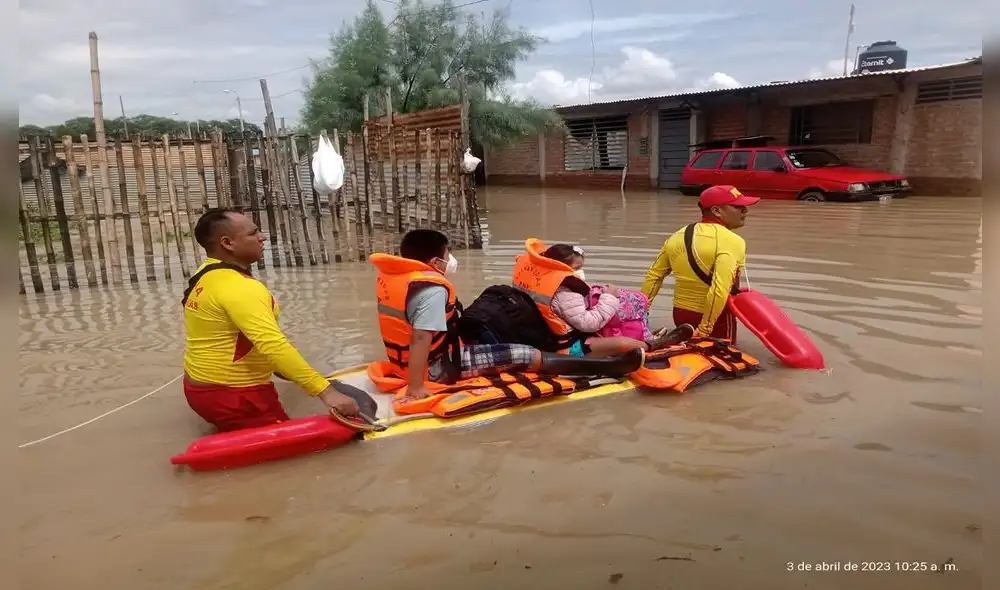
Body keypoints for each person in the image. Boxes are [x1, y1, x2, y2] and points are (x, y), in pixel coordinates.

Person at [371, 229, 644, 402]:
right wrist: (417, 388)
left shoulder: (399, 278)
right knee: (524, 354)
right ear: (433, 262)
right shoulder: (430, 290)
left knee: (493, 341)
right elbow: (420, 337)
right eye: (447, 254)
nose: (450, 259)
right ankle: (608, 367)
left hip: (404, 364)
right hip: (438, 368)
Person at [182, 208, 361, 431]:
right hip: (234, 396)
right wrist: (328, 393)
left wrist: (298, 375)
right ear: (227, 243)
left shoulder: (206, 273)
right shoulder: (239, 287)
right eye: (252, 233)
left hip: (198, 388)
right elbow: (273, 345)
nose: (262, 237)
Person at [641, 185, 759, 342]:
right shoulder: (732, 241)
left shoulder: (677, 236)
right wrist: (705, 328)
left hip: (680, 315)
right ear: (717, 211)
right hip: (716, 319)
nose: (745, 211)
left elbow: (654, 276)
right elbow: (719, 289)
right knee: (725, 362)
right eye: (738, 206)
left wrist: (640, 312)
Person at [539, 244, 688, 352]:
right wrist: (609, 297)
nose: (580, 272)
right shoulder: (564, 293)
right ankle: (655, 345)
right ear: (559, 268)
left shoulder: (542, 283)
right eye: (576, 268)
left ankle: (640, 334)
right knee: (622, 344)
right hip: (568, 346)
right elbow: (589, 324)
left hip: (551, 336)